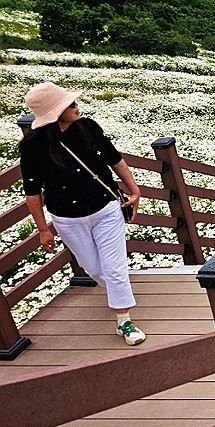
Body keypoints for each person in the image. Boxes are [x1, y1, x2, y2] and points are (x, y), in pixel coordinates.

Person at [20, 82, 145, 345]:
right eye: (70, 104)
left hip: (105, 207)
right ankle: (116, 290)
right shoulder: (33, 147)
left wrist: (135, 191)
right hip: (67, 218)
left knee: (114, 267)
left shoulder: (89, 127)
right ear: (55, 113)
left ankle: (124, 320)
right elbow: (32, 192)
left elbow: (115, 159)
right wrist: (43, 229)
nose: (77, 107)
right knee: (93, 267)